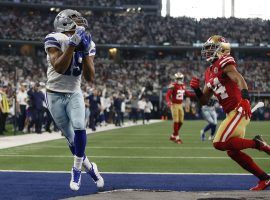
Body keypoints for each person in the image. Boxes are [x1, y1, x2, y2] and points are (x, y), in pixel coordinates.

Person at [190, 35, 270, 191]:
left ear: (222, 50)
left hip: (239, 109)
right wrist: (197, 90)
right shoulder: (209, 72)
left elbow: (238, 78)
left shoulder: (225, 62)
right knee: (233, 152)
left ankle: (257, 143)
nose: (207, 52)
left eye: (211, 48)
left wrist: (246, 99)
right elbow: (204, 101)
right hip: (231, 113)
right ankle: (264, 178)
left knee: (219, 143)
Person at [44, 9, 104, 191]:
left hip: (74, 92)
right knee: (71, 138)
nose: (80, 25)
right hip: (54, 93)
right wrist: (71, 45)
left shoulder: (89, 43)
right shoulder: (54, 39)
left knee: (80, 126)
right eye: (74, 22)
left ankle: (76, 169)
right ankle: (90, 167)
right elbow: (60, 67)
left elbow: (90, 77)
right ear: (63, 23)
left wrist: (85, 52)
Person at [166, 72, 195, 144]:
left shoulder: (183, 86)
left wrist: (198, 94)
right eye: (178, 78)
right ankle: (177, 137)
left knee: (181, 122)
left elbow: (188, 94)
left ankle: (173, 135)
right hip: (174, 105)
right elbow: (167, 95)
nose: (179, 80)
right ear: (175, 79)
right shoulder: (173, 86)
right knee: (176, 121)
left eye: (180, 78)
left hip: (180, 105)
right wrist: (169, 102)